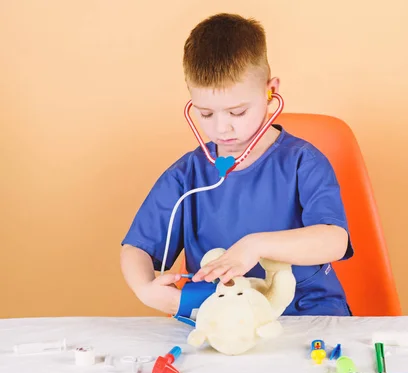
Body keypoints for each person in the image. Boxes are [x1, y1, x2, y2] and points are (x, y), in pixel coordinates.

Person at [120, 13, 354, 317]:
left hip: (306, 314)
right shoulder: (186, 176)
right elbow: (136, 248)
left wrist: (255, 245)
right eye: (206, 114)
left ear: (270, 91)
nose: (221, 129)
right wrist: (145, 289)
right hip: (222, 318)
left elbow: (334, 240)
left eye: (237, 112)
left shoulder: (302, 163)